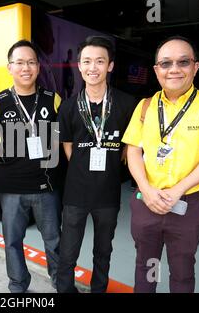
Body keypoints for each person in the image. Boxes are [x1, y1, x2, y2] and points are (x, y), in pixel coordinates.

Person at [122, 36, 199, 293]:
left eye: (183, 62)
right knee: (146, 267)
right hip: (147, 201)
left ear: (195, 67)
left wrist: (177, 190)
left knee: (182, 271)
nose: (174, 69)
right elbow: (133, 151)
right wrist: (147, 190)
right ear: (156, 70)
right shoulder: (145, 107)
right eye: (166, 63)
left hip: (188, 204)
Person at [56, 36, 136, 293]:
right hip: (75, 192)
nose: (93, 67)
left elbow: (129, 148)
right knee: (68, 252)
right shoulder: (68, 106)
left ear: (110, 66)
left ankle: (98, 289)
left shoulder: (126, 104)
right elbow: (68, 147)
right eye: (87, 61)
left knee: (103, 251)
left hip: (108, 193)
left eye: (100, 61)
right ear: (79, 66)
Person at [0, 39, 61, 293]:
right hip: (12, 189)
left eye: (30, 62)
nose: (25, 68)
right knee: (13, 242)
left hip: (45, 186)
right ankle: (17, 285)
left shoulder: (54, 100)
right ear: (9, 67)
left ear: (38, 67)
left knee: (54, 240)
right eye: (19, 62)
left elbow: (59, 143)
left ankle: (60, 282)